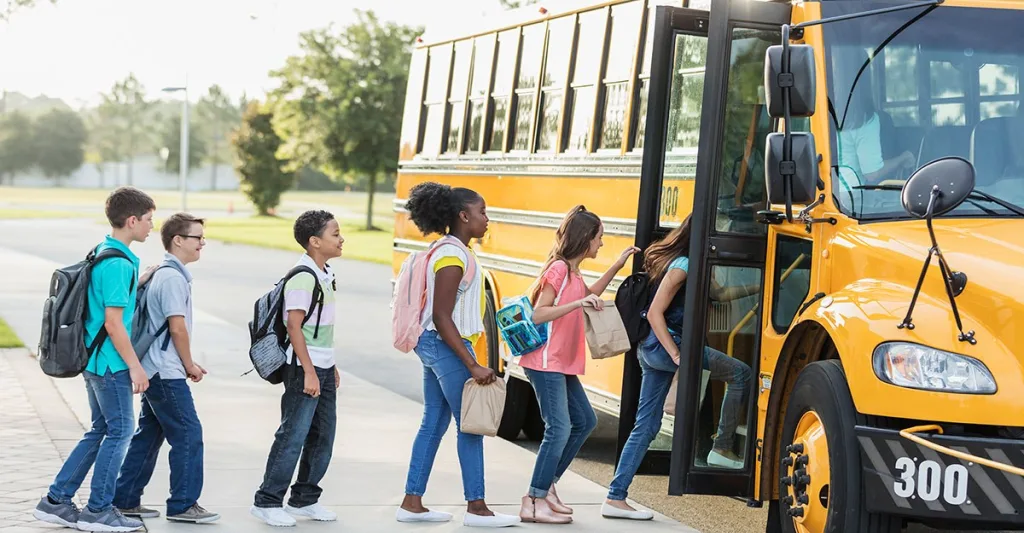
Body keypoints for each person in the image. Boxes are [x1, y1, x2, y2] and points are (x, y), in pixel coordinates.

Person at [603, 215, 756, 520]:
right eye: (721, 231)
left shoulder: (694, 264)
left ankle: (615, 497)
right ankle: (722, 447)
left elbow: (721, 295)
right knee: (741, 373)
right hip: (664, 346)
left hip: (651, 350)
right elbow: (656, 313)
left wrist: (759, 286)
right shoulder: (683, 266)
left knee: (646, 426)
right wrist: (676, 356)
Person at [396, 182, 519, 528]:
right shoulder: (451, 255)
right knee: (470, 426)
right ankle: (477, 509)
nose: (487, 219)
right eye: (482, 212)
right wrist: (472, 363)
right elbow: (441, 315)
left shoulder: (453, 250)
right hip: (445, 344)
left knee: (434, 422)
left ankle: (411, 502)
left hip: (437, 344)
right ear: (464, 216)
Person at [33, 186, 155, 532]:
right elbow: (114, 324)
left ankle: (56, 501)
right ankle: (98, 510)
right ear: (132, 220)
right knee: (120, 431)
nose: (151, 226)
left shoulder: (104, 251)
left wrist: (139, 280)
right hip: (111, 364)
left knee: (101, 429)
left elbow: (107, 303)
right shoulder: (117, 264)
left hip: (93, 360)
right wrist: (136, 366)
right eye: (148, 220)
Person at [518, 205, 638, 524]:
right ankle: (534, 498)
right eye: (599, 238)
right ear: (585, 239)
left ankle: (547, 486)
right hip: (545, 361)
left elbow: (590, 294)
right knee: (559, 428)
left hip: (562, 362)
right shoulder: (558, 269)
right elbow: (539, 313)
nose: (601, 244)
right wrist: (576, 303)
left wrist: (617, 265)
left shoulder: (574, 271)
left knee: (585, 421)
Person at [111, 212, 219, 524]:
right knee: (188, 434)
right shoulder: (172, 278)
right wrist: (189, 365)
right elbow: (177, 329)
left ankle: (126, 498)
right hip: (166, 372)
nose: (203, 243)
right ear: (178, 240)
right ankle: (183, 504)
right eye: (197, 237)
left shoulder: (163, 272)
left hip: (155, 369)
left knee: (148, 435)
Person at [251, 210, 344, 527]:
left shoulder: (324, 273)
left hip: (322, 365)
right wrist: (308, 371)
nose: (341, 238)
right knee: (293, 435)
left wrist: (331, 365)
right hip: (302, 368)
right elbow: (294, 326)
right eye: (335, 233)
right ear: (315, 241)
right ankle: (267, 501)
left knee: (323, 436)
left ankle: (304, 500)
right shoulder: (304, 277)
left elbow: (320, 329)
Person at [835, 48, 916, 185]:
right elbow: (872, 174)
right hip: (849, 200)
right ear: (864, 77)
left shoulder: (814, 110)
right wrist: (903, 158)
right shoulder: (863, 118)